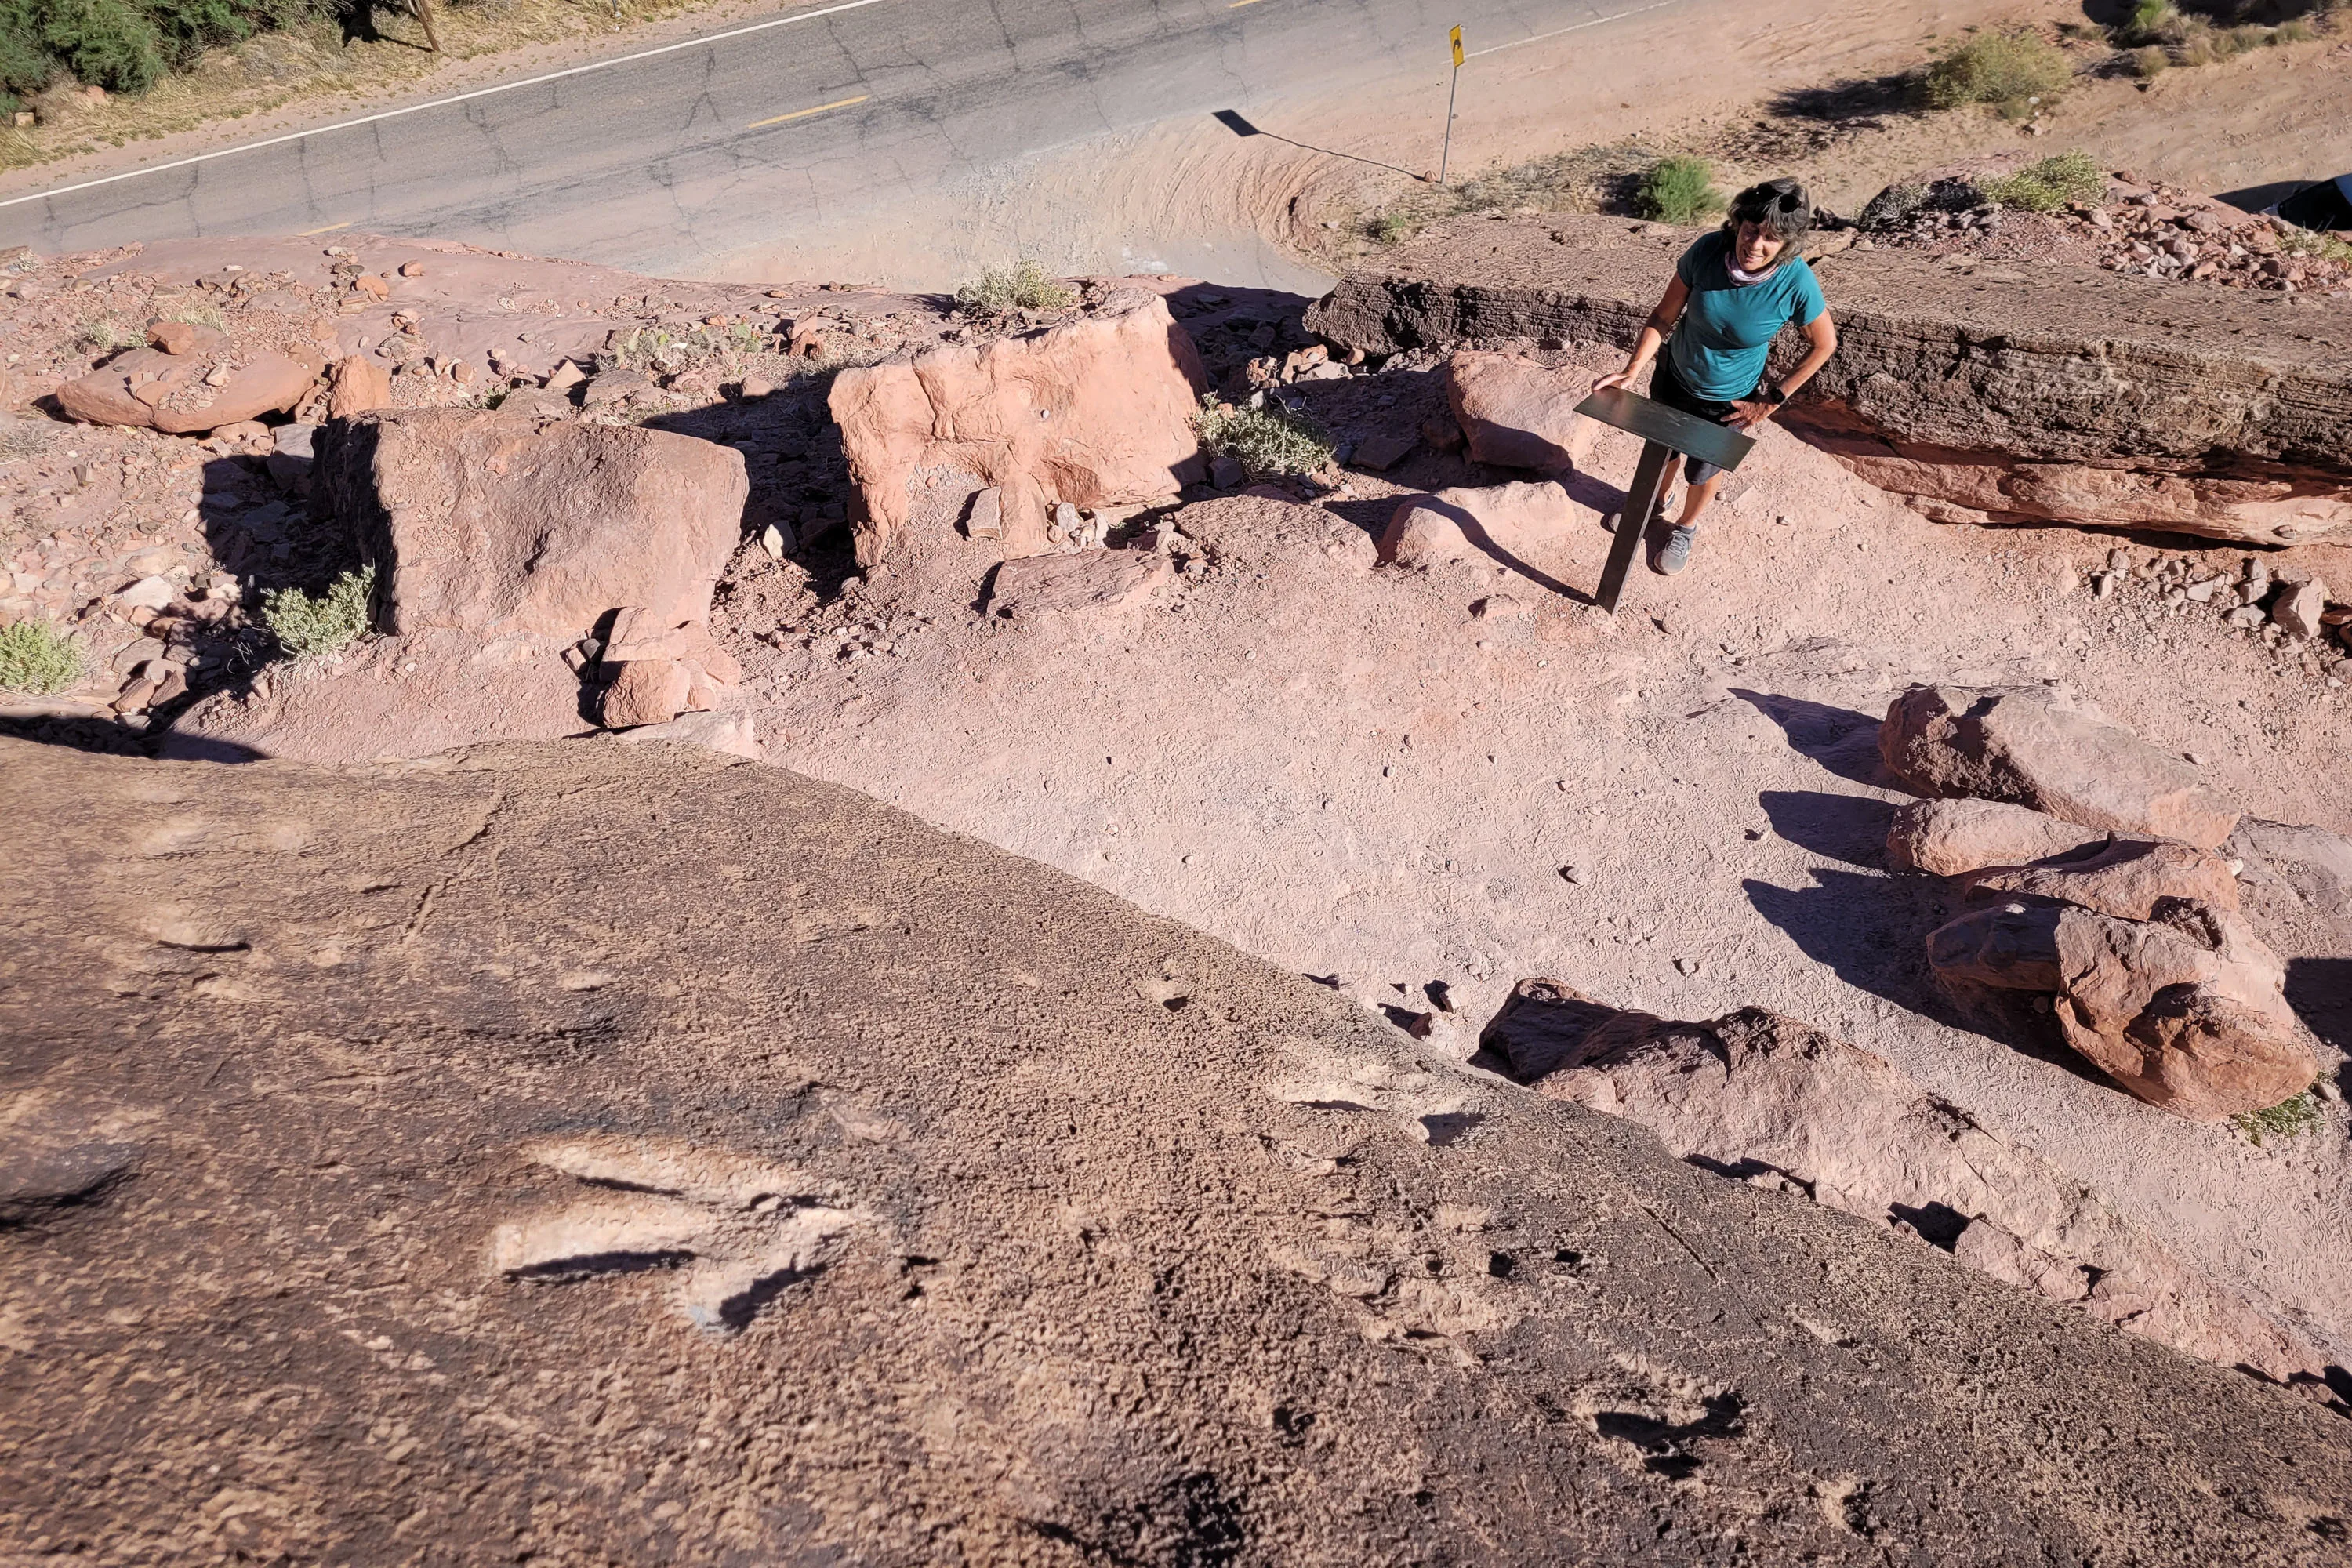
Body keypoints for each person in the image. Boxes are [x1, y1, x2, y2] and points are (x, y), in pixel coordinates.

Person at [1593, 176, 1839, 575]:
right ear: (1739, 222)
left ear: (1787, 245)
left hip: (1729, 399)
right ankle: (1656, 503)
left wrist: (1773, 400)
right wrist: (1631, 370)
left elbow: (1824, 344)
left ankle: (1685, 527)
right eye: (1751, 230)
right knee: (1664, 449)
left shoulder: (1795, 283)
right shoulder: (1709, 250)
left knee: (1703, 469)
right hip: (1675, 376)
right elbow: (1663, 315)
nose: (1755, 245)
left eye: (1771, 239)